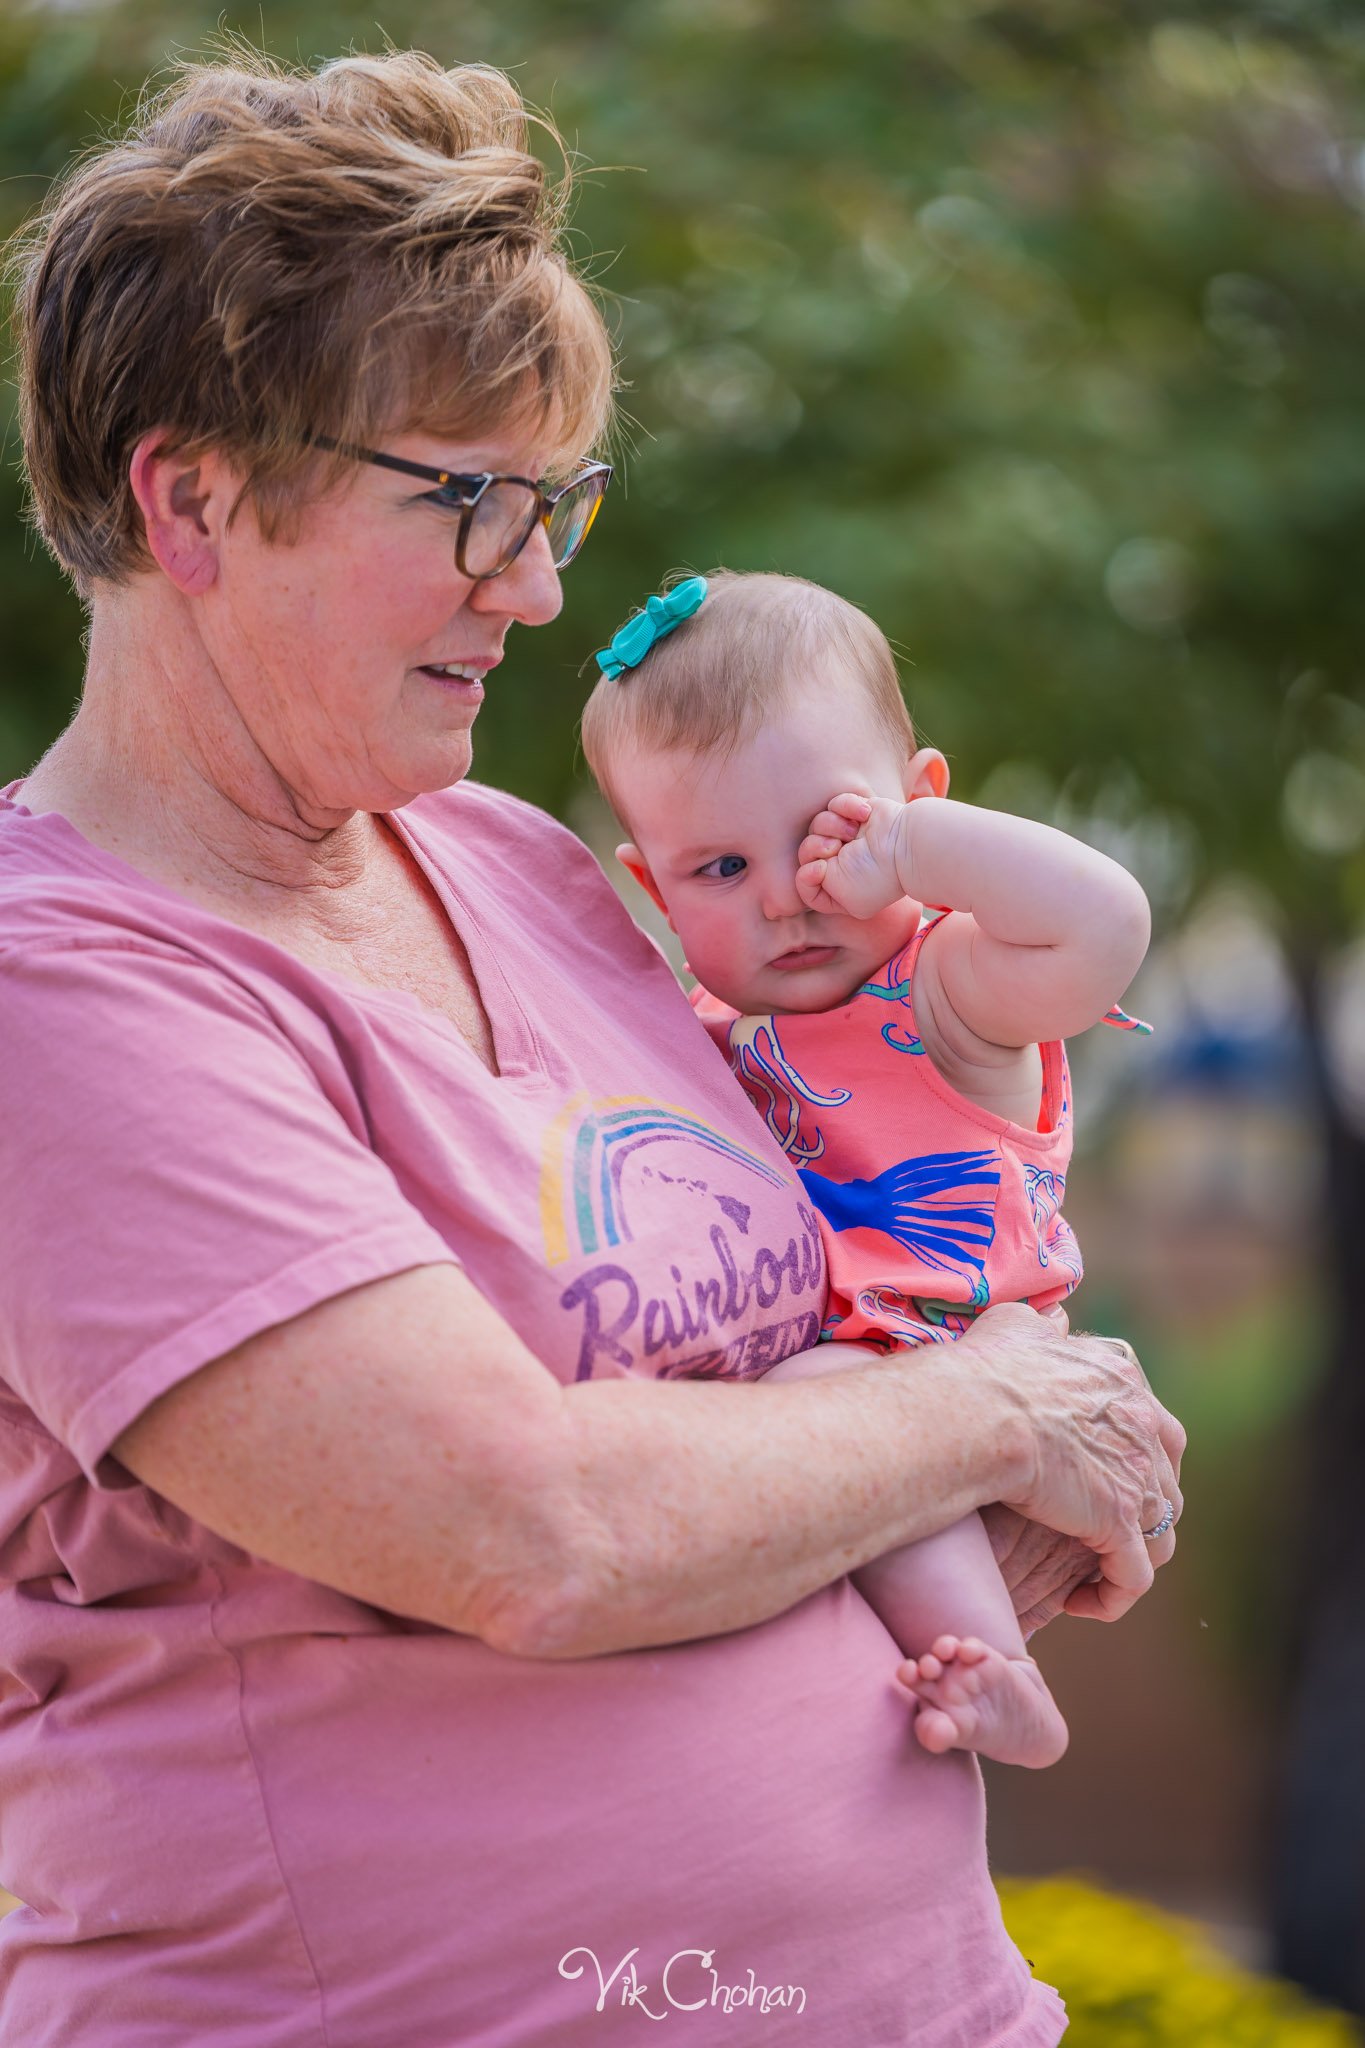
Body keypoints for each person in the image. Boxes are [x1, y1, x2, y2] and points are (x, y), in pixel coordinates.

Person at [0, 48, 1184, 2048]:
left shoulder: (528, 867)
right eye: (469, 502)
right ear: (189, 496)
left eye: (554, 504)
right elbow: (530, 1531)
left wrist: (985, 1492)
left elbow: (796, 1340)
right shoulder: (61, 990)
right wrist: (992, 1413)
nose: (538, 588)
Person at [582, 568, 1160, 1779]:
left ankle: (997, 1669)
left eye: (830, 833)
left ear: (918, 798)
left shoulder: (949, 983)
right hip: (842, 1367)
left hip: (951, 1339)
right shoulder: (704, 1022)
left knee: (839, 1403)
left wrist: (912, 856)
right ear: (652, 886)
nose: (792, 893)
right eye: (721, 871)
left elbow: (1105, 921)